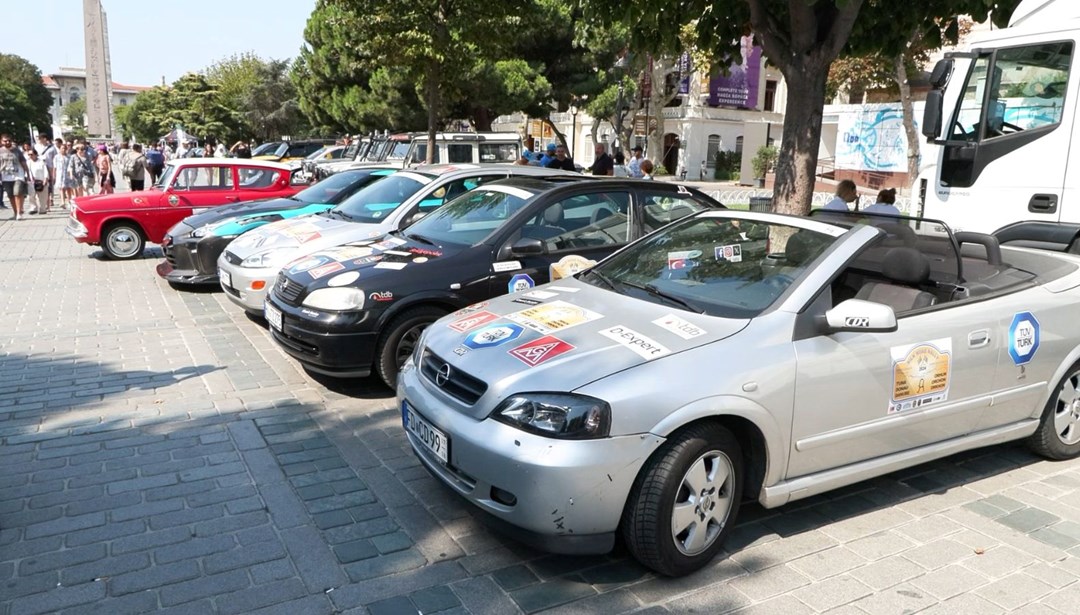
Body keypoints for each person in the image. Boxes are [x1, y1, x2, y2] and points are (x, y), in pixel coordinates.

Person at [1, 133, 31, 220]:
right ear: (1, 142)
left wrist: (27, 174)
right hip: (6, 176)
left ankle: (18, 213)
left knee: (17, 193)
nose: (7, 142)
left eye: (9, 140)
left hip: (18, 175)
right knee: (11, 196)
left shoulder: (17, 151)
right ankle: (15, 212)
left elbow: (23, 163)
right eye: (5, 141)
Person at [25, 149, 49, 215]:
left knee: (42, 196)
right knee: (31, 195)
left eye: (31, 154)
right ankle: (33, 208)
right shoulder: (28, 162)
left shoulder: (41, 162)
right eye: (29, 154)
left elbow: (45, 171)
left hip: (41, 181)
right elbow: (26, 171)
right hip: (31, 181)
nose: (30, 156)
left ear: (35, 154)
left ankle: (42, 209)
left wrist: (45, 179)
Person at [57, 143, 76, 207]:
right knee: (61, 188)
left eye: (64, 148)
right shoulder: (56, 157)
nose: (63, 150)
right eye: (62, 148)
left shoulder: (69, 156)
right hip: (60, 174)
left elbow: (71, 166)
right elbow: (55, 167)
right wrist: (53, 175)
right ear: (59, 149)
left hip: (67, 174)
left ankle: (69, 200)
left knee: (68, 188)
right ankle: (62, 202)